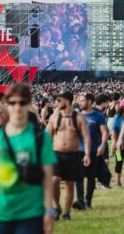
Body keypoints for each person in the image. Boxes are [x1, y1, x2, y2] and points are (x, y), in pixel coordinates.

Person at [0, 84, 57, 234]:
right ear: (6, 103)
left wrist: (49, 211)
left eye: (22, 102)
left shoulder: (40, 137)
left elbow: (47, 178)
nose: (17, 107)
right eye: (13, 102)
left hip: (30, 212)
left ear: (29, 104)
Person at [45, 90, 90, 221]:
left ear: (68, 101)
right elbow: (48, 136)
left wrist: (87, 154)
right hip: (56, 154)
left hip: (73, 155)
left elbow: (86, 138)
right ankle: (56, 206)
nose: (57, 103)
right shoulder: (54, 117)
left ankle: (66, 212)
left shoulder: (79, 118)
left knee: (70, 184)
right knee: (54, 181)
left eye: (59, 100)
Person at [76, 93, 110, 209]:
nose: (79, 103)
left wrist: (102, 145)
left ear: (90, 102)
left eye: (82, 100)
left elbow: (105, 132)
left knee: (91, 177)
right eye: (78, 101)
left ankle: (88, 201)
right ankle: (80, 201)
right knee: (79, 177)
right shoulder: (77, 115)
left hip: (94, 151)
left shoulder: (98, 116)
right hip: (79, 151)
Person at [110, 98, 124, 188]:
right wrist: (115, 142)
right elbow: (114, 132)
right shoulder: (117, 118)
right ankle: (118, 182)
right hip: (120, 145)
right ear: (123, 107)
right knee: (119, 162)